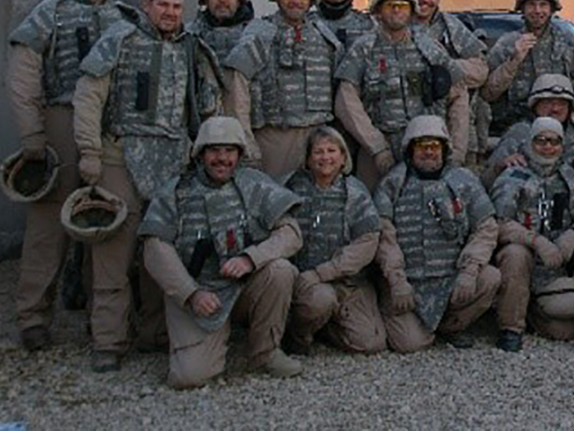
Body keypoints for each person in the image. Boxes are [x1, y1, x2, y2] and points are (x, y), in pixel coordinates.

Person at [71, 0, 224, 370]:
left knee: (162, 251)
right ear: (147, 5)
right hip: (119, 155)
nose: (170, 13)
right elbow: (89, 95)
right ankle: (108, 340)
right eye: (162, 6)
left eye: (177, 7)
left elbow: (211, 108)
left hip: (174, 162)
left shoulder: (193, 48)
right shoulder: (119, 40)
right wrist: (89, 151)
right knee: (113, 253)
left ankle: (154, 332)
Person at [7, 0, 137, 351]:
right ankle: (33, 316)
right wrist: (32, 134)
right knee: (48, 228)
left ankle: (101, 321)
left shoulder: (124, 18)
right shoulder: (51, 14)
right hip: (63, 124)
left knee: (105, 222)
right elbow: (23, 74)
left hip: (110, 128)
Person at [139, 116, 304, 388]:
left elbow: (291, 233)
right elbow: (154, 248)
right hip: (198, 294)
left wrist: (251, 259)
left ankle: (265, 352)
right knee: (188, 377)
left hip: (243, 286)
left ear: (239, 154)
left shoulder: (255, 184)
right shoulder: (176, 191)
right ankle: (211, 345)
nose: (222, 159)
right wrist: (191, 293)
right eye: (214, 151)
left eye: (229, 151)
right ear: (201, 154)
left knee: (281, 271)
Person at [373, 115, 501, 352]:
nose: (429, 152)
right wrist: (397, 280)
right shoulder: (393, 184)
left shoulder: (464, 180)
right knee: (410, 344)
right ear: (410, 150)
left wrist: (470, 271)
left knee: (490, 277)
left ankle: (450, 326)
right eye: (422, 146)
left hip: (451, 277)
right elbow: (383, 236)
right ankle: (421, 325)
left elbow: (487, 227)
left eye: (434, 146)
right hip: (408, 282)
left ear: (444, 149)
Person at [334, 0, 468, 188]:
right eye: (390, 5)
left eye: (403, 5)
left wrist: (457, 150)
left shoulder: (429, 48)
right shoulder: (363, 49)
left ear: (412, 10)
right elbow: (346, 102)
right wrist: (377, 147)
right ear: (378, 10)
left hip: (426, 147)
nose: (397, 10)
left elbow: (458, 96)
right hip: (379, 148)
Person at [491, 117, 574, 350]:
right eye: (541, 141)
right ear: (530, 143)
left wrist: (573, 234)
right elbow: (499, 224)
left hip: (557, 268)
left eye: (554, 142)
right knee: (514, 253)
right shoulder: (514, 176)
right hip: (525, 262)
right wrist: (536, 241)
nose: (548, 147)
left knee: (567, 332)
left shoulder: (569, 177)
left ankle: (549, 313)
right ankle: (511, 326)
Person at [224, 0, 341, 177]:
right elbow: (237, 88)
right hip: (275, 138)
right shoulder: (261, 32)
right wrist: (246, 142)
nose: (295, 1)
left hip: (317, 138)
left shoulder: (323, 35)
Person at [281, 127, 386, 355]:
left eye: (332, 151)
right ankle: (298, 337)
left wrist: (324, 272)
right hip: (306, 282)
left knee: (371, 343)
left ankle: (326, 328)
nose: (325, 157)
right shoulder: (292, 188)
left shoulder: (355, 192)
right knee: (320, 300)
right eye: (318, 152)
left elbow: (366, 243)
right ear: (308, 159)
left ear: (343, 158)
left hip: (348, 283)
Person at [481, 0, 574, 136]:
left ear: (552, 9)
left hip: (562, 127)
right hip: (516, 127)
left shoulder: (568, 43)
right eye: (531, 4)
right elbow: (487, 93)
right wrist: (513, 61)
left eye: (543, 4)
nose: (537, 10)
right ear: (522, 8)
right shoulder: (507, 44)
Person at [484, 74, 574, 192]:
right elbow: (486, 180)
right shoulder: (519, 133)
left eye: (562, 103)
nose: (555, 109)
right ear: (535, 104)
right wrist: (499, 167)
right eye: (548, 102)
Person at [412, 0, 491, 163]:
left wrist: (444, 70)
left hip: (450, 127)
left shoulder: (450, 27)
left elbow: (480, 69)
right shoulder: (395, 22)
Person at [187, 0, 253, 62]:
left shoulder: (257, 35)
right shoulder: (190, 36)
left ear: (239, 0)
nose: (222, 0)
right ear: (206, 0)